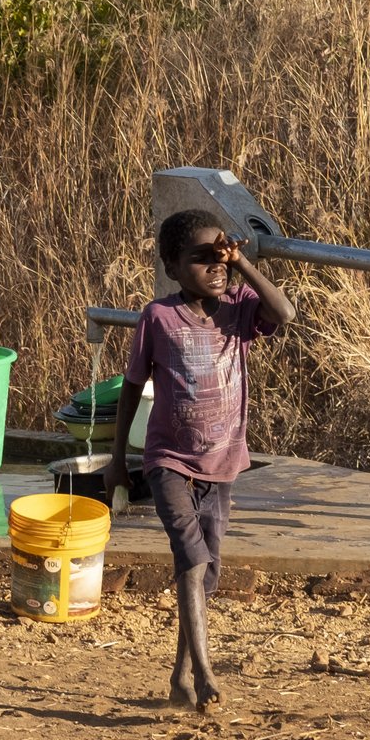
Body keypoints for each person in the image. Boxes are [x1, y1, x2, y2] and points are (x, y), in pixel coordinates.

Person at [102, 209, 294, 713]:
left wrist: (245, 263)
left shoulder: (240, 307)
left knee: (204, 574)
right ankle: (207, 672)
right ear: (171, 265)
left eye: (221, 258)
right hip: (167, 460)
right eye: (201, 259)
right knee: (191, 558)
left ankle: (180, 677)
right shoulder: (158, 317)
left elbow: (285, 312)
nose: (216, 268)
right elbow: (129, 389)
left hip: (224, 462)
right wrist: (119, 459)